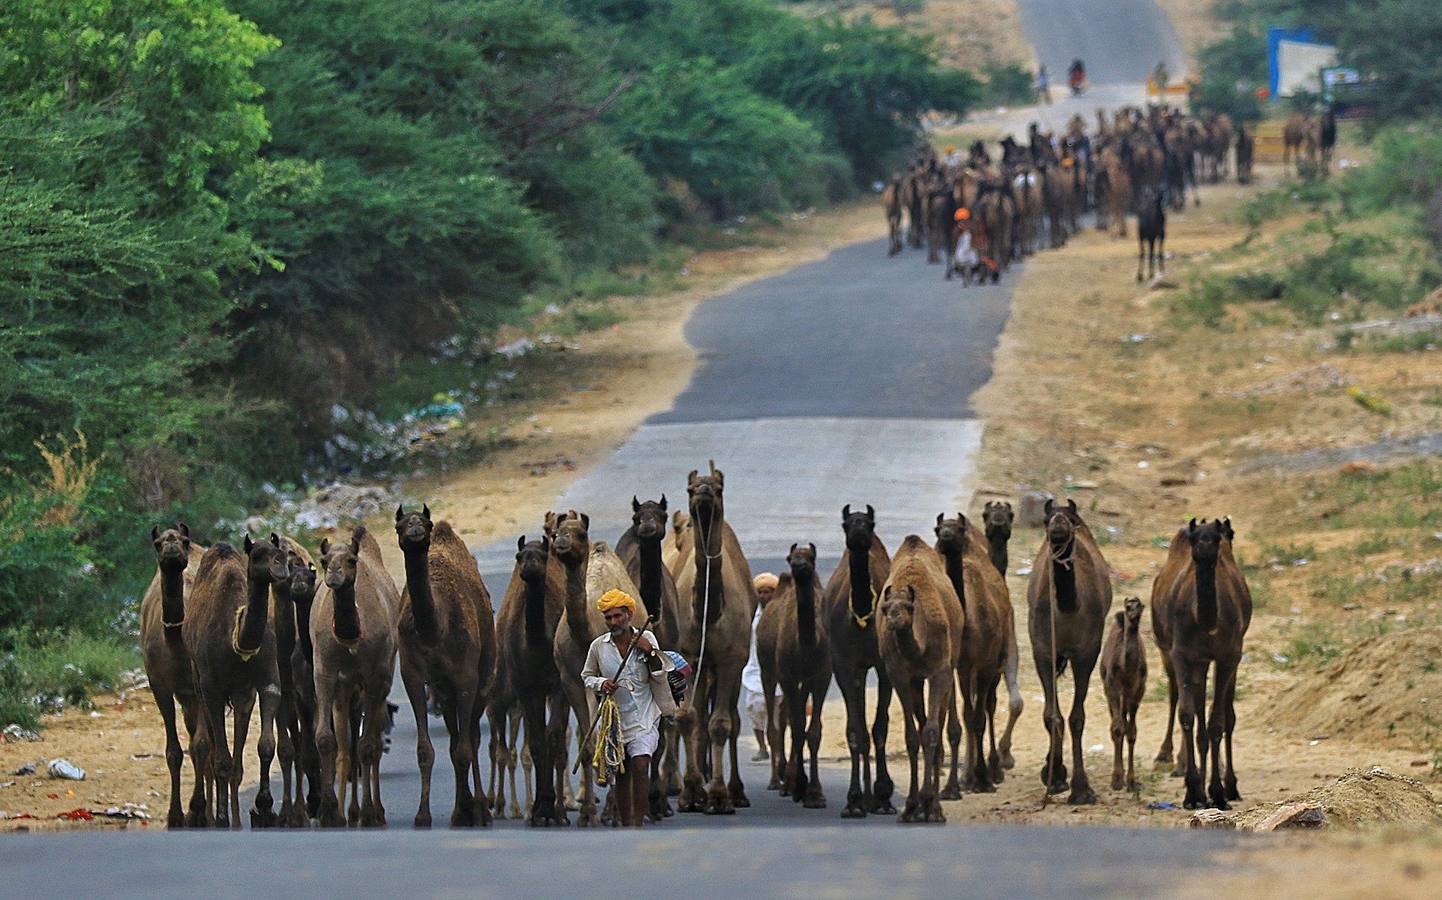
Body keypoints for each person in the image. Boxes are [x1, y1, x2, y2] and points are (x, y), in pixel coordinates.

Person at [581, 588, 673, 827]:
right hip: (615, 719)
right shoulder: (598, 646)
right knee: (622, 772)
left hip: (645, 715)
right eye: (608, 618)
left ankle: (637, 822)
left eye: (618, 616)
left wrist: (648, 650)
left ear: (629, 615)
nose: (613, 622)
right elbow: (587, 675)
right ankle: (626, 823)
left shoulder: (647, 637)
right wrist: (602, 683)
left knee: (641, 763)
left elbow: (660, 672)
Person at [740, 572, 778, 761]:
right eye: (761, 592)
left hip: (778, 669)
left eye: (768, 592)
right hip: (755, 668)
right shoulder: (751, 616)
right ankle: (762, 747)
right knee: (755, 708)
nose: (764, 596)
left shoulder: (780, 615)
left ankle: (778, 748)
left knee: (778, 714)